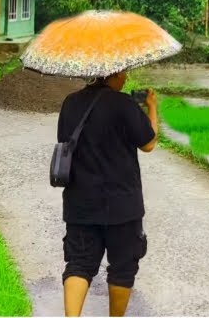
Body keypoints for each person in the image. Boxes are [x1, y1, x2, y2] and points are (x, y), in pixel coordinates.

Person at [57, 70, 159, 317]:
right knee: (122, 268)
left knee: (79, 263)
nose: (125, 77)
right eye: (123, 72)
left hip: (80, 202)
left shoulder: (70, 103)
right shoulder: (124, 104)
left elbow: (64, 141)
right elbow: (148, 143)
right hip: (122, 205)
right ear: (112, 73)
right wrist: (152, 107)